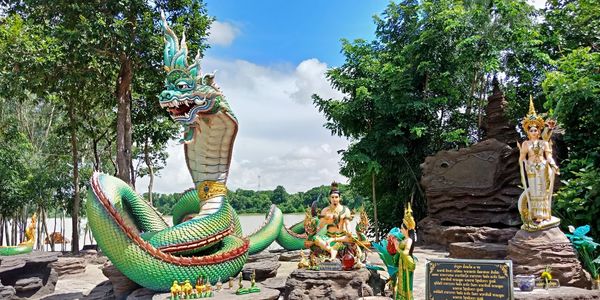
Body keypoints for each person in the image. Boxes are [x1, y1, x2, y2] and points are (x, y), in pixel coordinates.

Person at [518, 97, 560, 230]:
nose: (534, 132)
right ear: (527, 132)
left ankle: (542, 215)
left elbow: (548, 156)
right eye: (531, 130)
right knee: (534, 191)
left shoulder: (544, 143)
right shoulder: (525, 144)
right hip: (531, 169)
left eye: (536, 130)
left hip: (542, 167)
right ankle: (534, 215)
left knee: (542, 190)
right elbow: (522, 157)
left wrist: (553, 164)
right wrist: (523, 163)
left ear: (539, 130)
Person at [313, 182, 355, 261]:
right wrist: (325, 219)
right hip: (328, 236)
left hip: (341, 236)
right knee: (315, 238)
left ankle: (333, 246)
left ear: (339, 198)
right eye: (332, 197)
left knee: (352, 237)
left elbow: (347, 223)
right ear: (329, 198)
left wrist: (349, 231)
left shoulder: (345, 210)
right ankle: (330, 249)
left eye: (336, 197)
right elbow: (320, 225)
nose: (334, 199)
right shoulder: (325, 210)